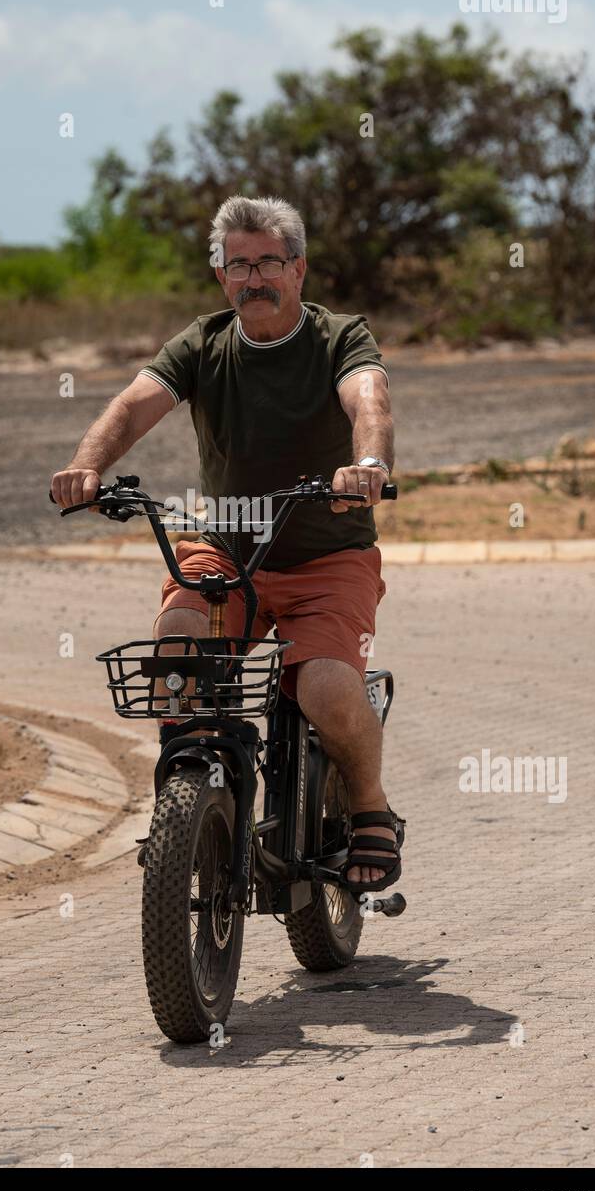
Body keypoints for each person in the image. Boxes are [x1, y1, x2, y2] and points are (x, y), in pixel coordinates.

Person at [51, 195, 405, 888]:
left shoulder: (339, 338)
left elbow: (370, 401)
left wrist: (367, 467)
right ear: (221, 277)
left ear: (298, 269)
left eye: (268, 262)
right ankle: (187, 803)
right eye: (236, 265)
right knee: (178, 639)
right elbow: (132, 404)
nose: (252, 278)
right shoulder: (202, 343)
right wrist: (87, 467)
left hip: (326, 557)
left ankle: (369, 811)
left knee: (328, 688)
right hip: (228, 554)